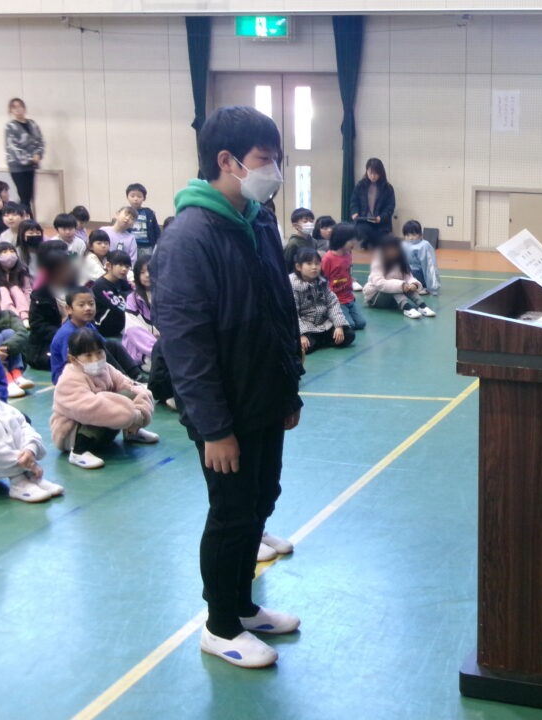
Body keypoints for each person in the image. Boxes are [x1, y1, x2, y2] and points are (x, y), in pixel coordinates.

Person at [152, 105, 304, 669]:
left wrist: (288, 390)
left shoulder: (258, 221)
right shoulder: (189, 237)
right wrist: (215, 428)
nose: (274, 171)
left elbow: (279, 309)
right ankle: (219, 627)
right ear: (227, 161)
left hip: (266, 397)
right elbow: (186, 346)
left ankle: (242, 606)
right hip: (225, 411)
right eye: (266, 159)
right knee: (232, 512)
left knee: (262, 499)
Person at [50, 328, 157, 470]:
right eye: (88, 355)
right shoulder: (69, 379)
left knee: (129, 393)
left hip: (104, 427)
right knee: (100, 408)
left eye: (99, 352)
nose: (96, 359)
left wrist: (139, 415)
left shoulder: (106, 369)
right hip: (70, 435)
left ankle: (132, 432)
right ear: (73, 359)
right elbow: (90, 409)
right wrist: (133, 415)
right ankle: (78, 452)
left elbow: (132, 387)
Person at [0, 357, 62, 503]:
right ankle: (19, 481)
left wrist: (30, 449)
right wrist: (27, 464)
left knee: (13, 422)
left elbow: (23, 426)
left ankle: (29, 477)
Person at [49, 286, 142, 385]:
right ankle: (122, 382)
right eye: (81, 305)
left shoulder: (89, 325)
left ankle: (136, 375)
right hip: (68, 376)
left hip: (87, 365)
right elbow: (72, 363)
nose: (88, 308)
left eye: (91, 304)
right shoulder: (67, 333)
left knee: (111, 346)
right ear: (69, 309)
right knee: (101, 352)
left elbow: (103, 347)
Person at [290, 248, 355, 354]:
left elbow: (332, 304)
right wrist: (301, 334)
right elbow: (292, 314)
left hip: (324, 324)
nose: (314, 267)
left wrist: (338, 325)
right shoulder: (292, 286)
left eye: (317, 263)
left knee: (349, 335)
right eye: (309, 263)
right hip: (306, 326)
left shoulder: (322, 282)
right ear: (298, 267)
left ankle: (319, 341)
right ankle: (317, 341)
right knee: (302, 346)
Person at [364, 235, 435, 320]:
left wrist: (414, 284)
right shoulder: (378, 262)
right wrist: (401, 285)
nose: (393, 251)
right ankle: (407, 308)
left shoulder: (401, 262)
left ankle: (422, 306)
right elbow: (379, 283)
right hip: (375, 298)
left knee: (404, 287)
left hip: (391, 299)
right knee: (395, 288)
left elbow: (408, 277)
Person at [26, 242, 73, 370]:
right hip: (46, 346)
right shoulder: (40, 293)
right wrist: (63, 334)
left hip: (76, 340)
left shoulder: (74, 289)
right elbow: (38, 325)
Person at [321, 223, 366, 331]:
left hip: (348, 297)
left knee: (361, 323)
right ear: (341, 239)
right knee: (350, 326)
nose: (354, 242)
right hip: (336, 300)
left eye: (355, 239)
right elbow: (322, 280)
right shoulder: (328, 258)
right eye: (351, 240)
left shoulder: (348, 254)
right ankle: (329, 316)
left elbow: (348, 273)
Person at [4, 98, 44, 216]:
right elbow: (13, 148)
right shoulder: (10, 127)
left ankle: (24, 218)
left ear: (24, 108)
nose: (17, 109)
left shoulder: (32, 124)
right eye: (14, 107)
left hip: (31, 166)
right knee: (24, 196)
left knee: (29, 196)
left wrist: (38, 154)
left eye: (20, 106)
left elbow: (40, 142)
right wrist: (30, 158)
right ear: (11, 110)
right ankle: (26, 219)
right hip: (18, 167)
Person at [350, 158, 396, 249]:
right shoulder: (360, 185)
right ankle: (365, 244)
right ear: (366, 171)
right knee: (361, 233)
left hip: (381, 224)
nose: (373, 176)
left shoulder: (387, 188)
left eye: (376, 173)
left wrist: (381, 217)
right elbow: (354, 201)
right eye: (370, 173)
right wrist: (354, 212)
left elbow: (390, 207)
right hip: (364, 221)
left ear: (381, 173)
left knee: (382, 244)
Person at [123, 255, 158, 369]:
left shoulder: (168, 295)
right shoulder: (133, 299)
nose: (147, 275)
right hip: (142, 349)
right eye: (142, 272)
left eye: (150, 270)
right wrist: (158, 349)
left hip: (165, 345)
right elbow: (134, 331)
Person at [0, 242, 33, 322]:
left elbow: (27, 291)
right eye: (4, 252)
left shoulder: (21, 271)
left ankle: (24, 316)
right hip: (2, 310)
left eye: (12, 251)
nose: (9, 254)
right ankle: (13, 316)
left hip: (24, 309)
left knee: (15, 288)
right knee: (2, 289)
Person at [92, 251, 132, 339]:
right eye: (120, 265)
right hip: (104, 328)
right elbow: (121, 307)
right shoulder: (100, 285)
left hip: (119, 326)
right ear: (109, 266)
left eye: (127, 266)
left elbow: (133, 294)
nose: (124, 269)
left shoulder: (121, 280)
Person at [402, 220, 440, 296]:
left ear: (420, 234)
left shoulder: (424, 246)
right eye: (407, 235)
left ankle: (420, 286)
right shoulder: (403, 245)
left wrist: (433, 288)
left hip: (418, 275)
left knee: (414, 270)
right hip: (405, 275)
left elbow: (430, 267)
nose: (410, 238)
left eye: (413, 235)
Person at [125, 183, 161, 257]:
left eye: (139, 196)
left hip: (147, 246)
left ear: (144, 198)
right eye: (132, 196)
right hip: (131, 246)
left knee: (147, 263)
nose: (136, 199)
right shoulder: (124, 213)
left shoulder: (149, 213)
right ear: (127, 197)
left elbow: (156, 230)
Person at [284, 207, 315, 273]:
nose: (309, 223)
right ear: (295, 225)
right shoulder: (293, 243)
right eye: (305, 221)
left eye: (311, 221)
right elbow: (286, 265)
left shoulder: (314, 241)